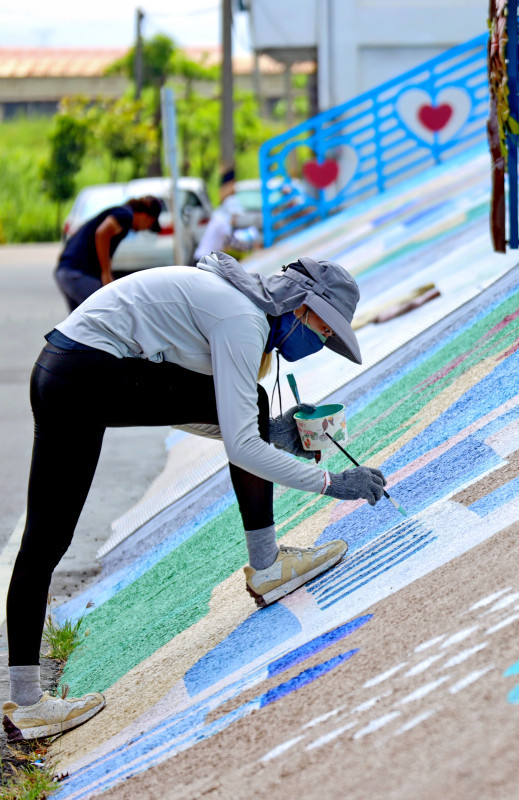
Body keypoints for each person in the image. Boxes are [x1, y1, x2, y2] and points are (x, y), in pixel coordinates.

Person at [2, 252, 387, 741]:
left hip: (65, 371)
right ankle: (267, 566)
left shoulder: (241, 307)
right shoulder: (243, 320)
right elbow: (238, 441)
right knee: (46, 540)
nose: (324, 341)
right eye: (325, 330)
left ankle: (28, 702)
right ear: (302, 307)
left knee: (45, 541)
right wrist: (333, 484)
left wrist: (270, 433)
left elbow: (184, 406)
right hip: (86, 374)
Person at [55, 196, 164, 311]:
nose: (145, 228)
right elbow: (102, 233)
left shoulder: (121, 213)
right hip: (79, 274)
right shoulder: (125, 215)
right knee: (108, 312)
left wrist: (109, 274)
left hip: (65, 271)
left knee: (81, 324)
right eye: (149, 224)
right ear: (145, 215)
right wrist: (105, 273)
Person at [194, 169, 253, 262]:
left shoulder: (219, 217)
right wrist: (251, 246)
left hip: (206, 258)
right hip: (204, 259)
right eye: (235, 216)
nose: (236, 219)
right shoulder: (222, 221)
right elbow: (231, 241)